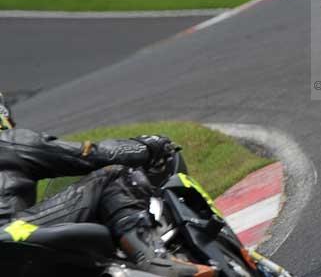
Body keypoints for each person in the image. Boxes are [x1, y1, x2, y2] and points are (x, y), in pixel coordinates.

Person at [0, 96, 216, 277]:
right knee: (112, 175)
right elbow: (92, 155)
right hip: (9, 235)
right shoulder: (9, 142)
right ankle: (152, 259)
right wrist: (147, 147)